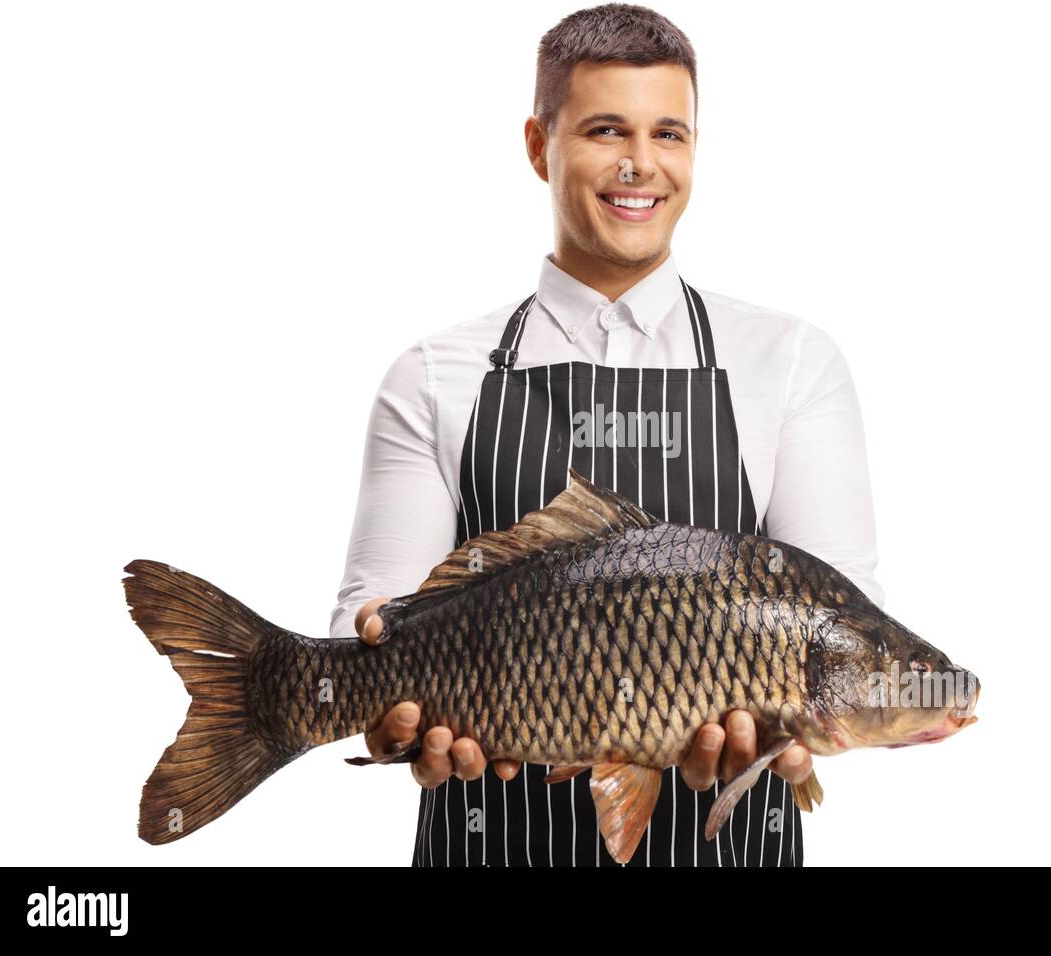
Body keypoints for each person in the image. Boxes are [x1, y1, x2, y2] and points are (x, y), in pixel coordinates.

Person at [330, 2, 884, 867]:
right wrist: (392, 704)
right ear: (537, 145)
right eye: (604, 130)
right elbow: (371, 619)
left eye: (670, 132)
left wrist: (804, 732)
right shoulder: (435, 375)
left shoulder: (792, 362)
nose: (641, 164)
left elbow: (834, 617)